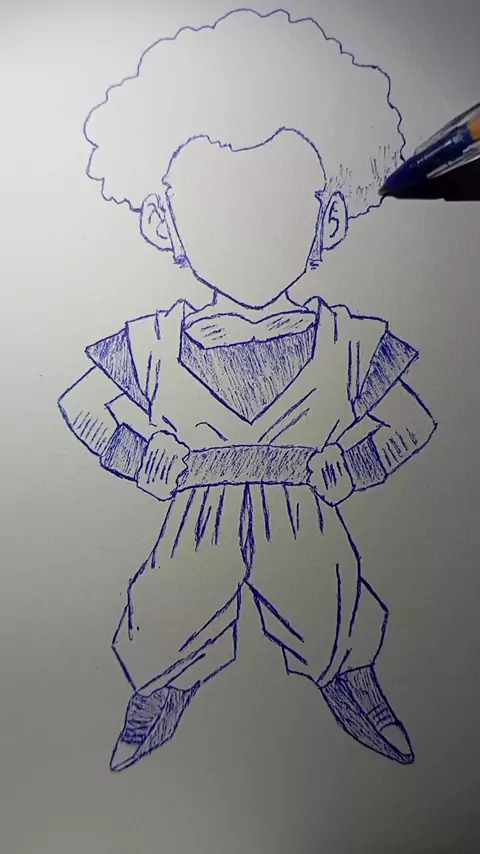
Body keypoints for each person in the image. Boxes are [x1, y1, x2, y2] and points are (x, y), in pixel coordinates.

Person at [58, 8, 436, 771]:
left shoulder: (347, 340)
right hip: (195, 510)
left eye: (277, 206)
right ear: (163, 222)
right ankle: (159, 689)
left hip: (306, 505)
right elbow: (82, 404)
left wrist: (347, 466)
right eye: (215, 208)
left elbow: (410, 419)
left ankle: (351, 681)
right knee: (166, 613)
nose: (247, 235)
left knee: (332, 610)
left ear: (329, 220)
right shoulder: (154, 341)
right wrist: (148, 457)